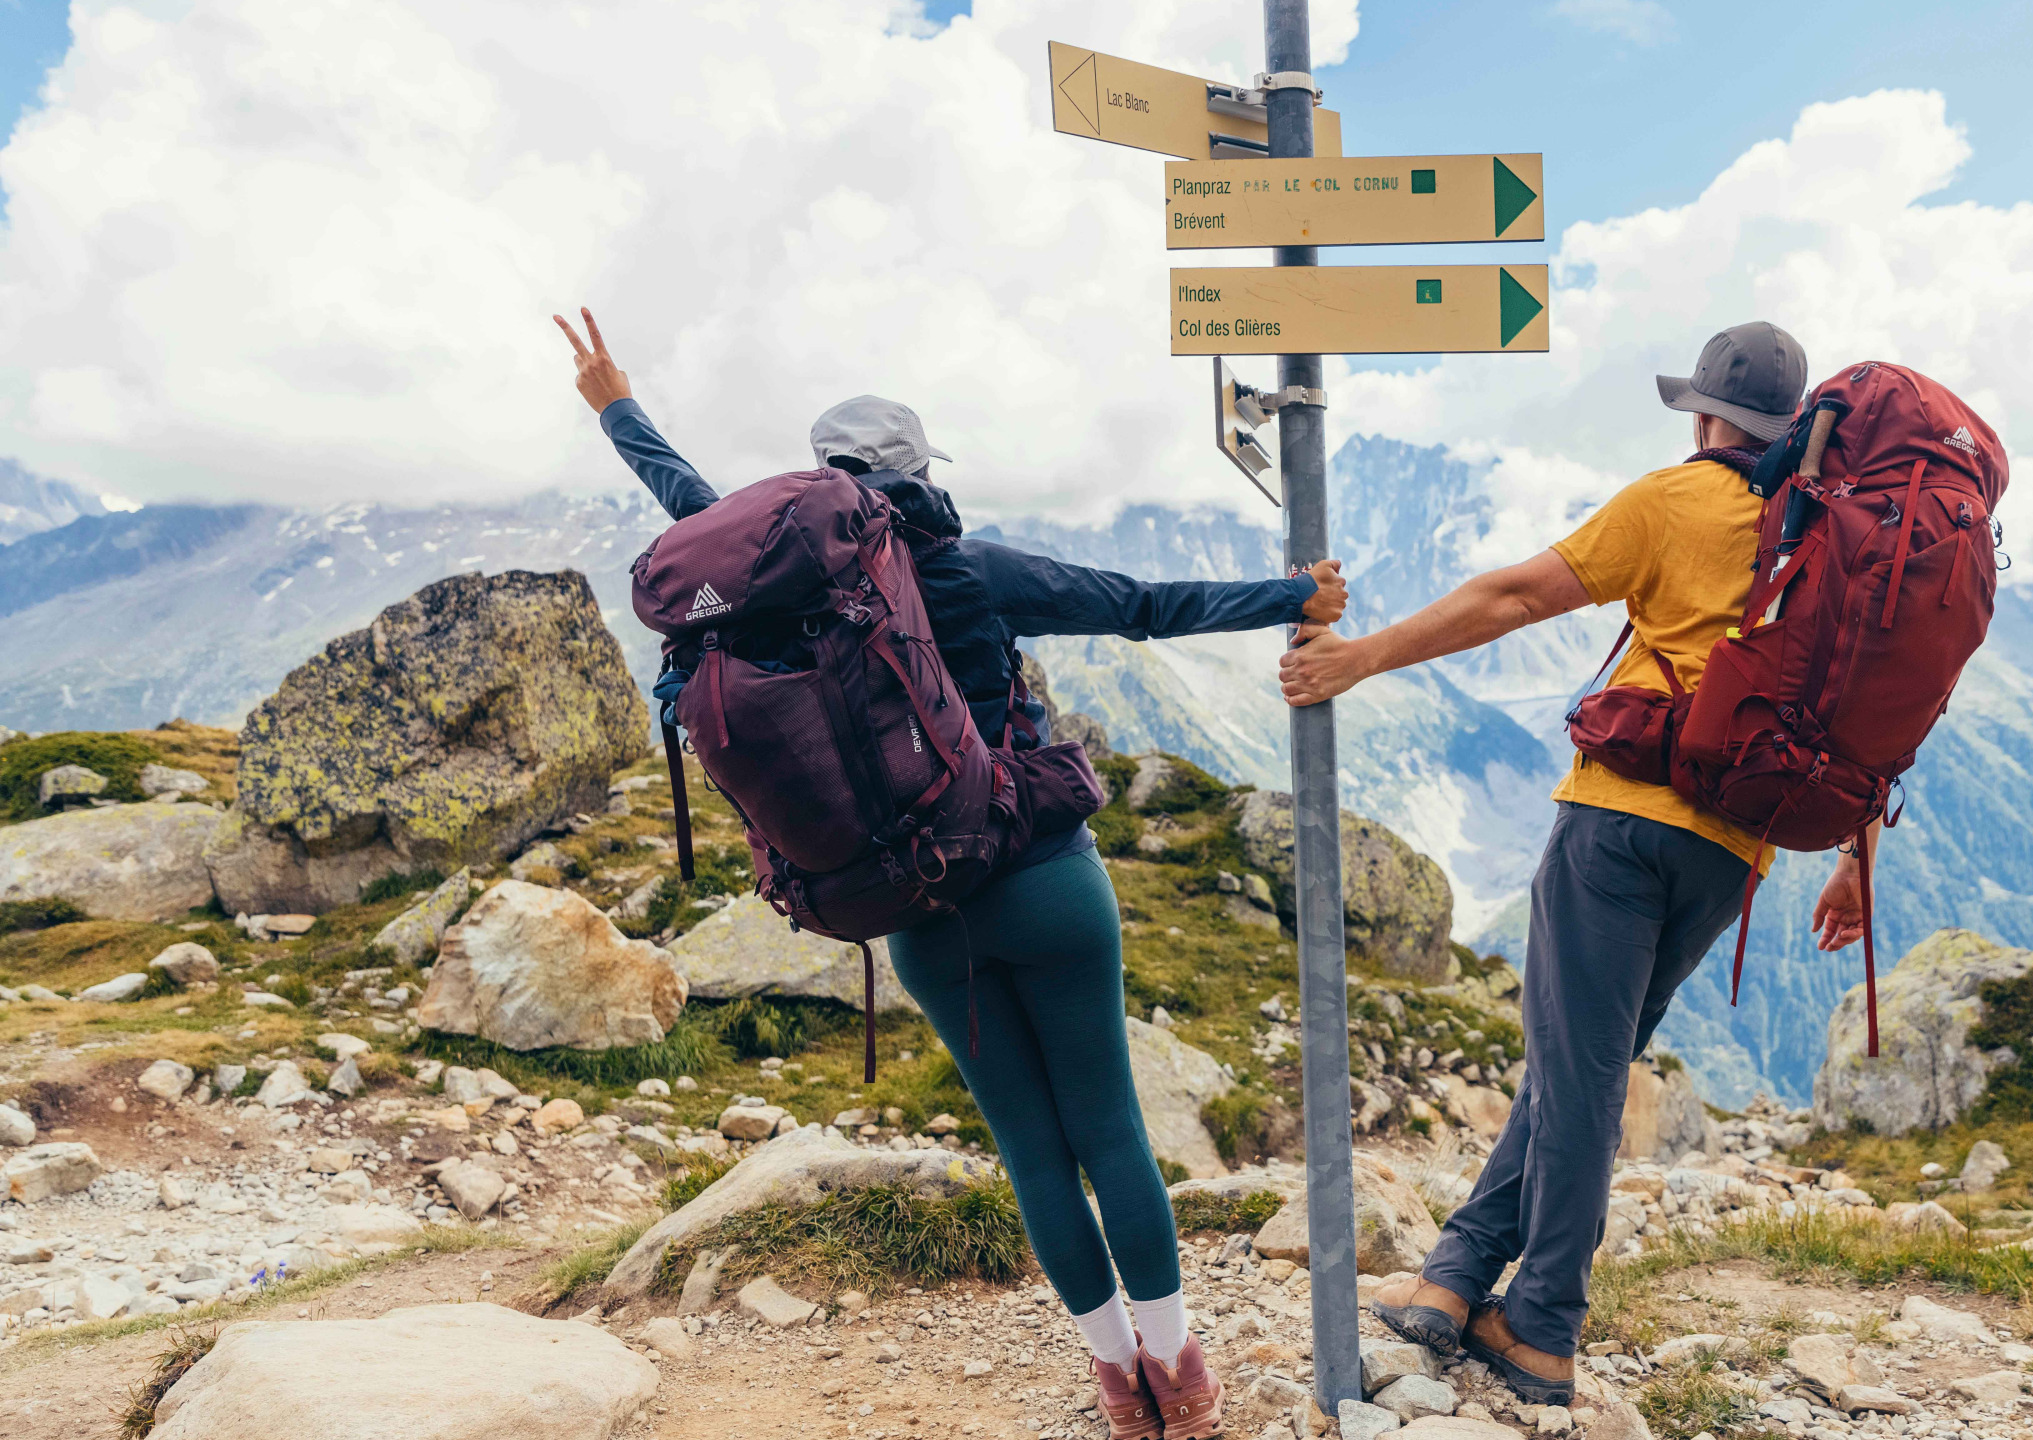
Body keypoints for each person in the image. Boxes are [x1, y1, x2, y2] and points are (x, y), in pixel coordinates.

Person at [556, 309, 1344, 1440]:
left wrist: (613, 404)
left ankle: (1118, 1389)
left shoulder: (773, 593)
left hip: (918, 912)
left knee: (1031, 1150)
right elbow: (1138, 608)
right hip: (1046, 880)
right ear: (917, 478)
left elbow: (684, 497)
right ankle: (1186, 1379)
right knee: (1110, 1131)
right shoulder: (969, 567)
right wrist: (1292, 598)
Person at [1275, 321, 1877, 1404]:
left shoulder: (1674, 501)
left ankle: (1544, 1322)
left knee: (1580, 1074)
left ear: (1704, 417)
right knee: (1575, 1066)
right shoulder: (1833, 539)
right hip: (1731, 857)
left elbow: (1514, 597)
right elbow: (1865, 713)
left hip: (1620, 826)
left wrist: (1363, 655)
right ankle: (1456, 1279)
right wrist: (1854, 858)